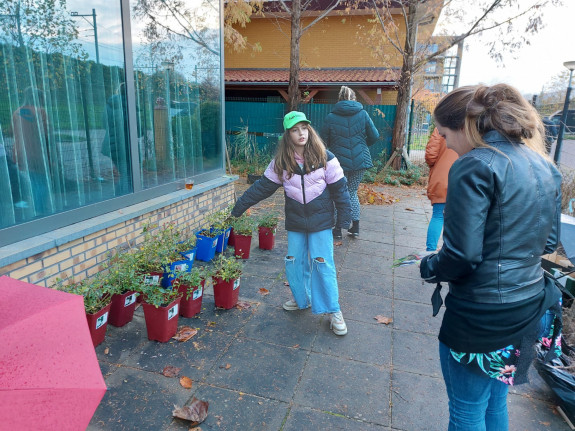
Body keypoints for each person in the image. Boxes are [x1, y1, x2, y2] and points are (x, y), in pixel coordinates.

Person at [420, 84, 563, 431]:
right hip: (530, 305)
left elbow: (462, 255)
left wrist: (429, 266)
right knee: (496, 400)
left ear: (466, 126)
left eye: (445, 133)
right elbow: (550, 244)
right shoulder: (544, 165)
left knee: (467, 412)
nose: (446, 143)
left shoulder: (474, 165)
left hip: (483, 318)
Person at [231, 111, 352, 335]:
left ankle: (334, 311)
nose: (301, 133)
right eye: (295, 130)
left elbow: (341, 190)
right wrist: (239, 207)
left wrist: (345, 219)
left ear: (309, 130)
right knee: (294, 262)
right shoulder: (282, 163)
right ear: (288, 135)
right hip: (296, 222)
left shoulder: (326, 157)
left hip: (321, 222)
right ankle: (301, 299)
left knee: (322, 264)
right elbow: (261, 188)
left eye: (304, 128)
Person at [321, 86, 379, 239]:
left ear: (339, 99)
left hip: (337, 162)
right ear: (354, 98)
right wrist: (362, 146)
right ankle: (356, 227)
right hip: (360, 162)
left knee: (337, 193)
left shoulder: (331, 117)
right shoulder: (363, 114)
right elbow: (375, 135)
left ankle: (337, 229)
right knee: (352, 192)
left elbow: (322, 142)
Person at [11, 87, 54, 216]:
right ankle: (41, 210)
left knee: (34, 181)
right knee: (42, 181)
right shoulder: (40, 112)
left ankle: (37, 209)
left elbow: (12, 132)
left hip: (21, 152)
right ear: (38, 98)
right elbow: (46, 134)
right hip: (37, 153)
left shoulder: (16, 112)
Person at [424, 128, 458, 251]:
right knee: (459, 220)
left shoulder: (443, 125)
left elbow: (431, 155)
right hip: (465, 179)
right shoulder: (475, 124)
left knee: (438, 216)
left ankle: (430, 251)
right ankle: (451, 253)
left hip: (443, 178)